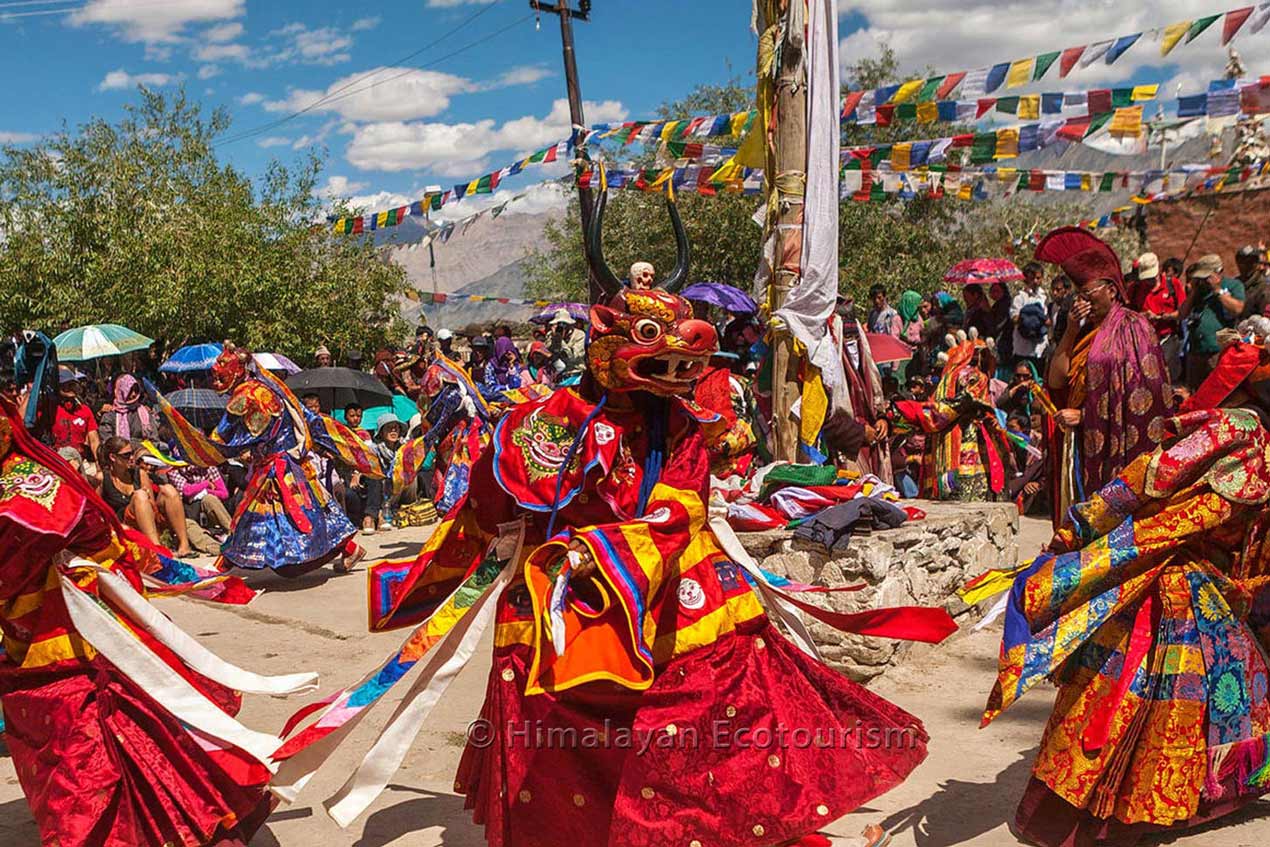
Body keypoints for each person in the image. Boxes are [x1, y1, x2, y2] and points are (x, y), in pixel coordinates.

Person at [273, 285, 957, 847]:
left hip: (672, 593)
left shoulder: (685, 424)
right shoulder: (540, 426)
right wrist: (430, 583)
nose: (674, 377)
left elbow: (682, 503)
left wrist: (614, 548)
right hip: (564, 602)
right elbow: (489, 505)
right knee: (554, 727)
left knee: (725, 699)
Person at [0, 399, 317, 847]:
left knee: (93, 746)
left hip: (73, 639)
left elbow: (87, 528)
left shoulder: (25, 486)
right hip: (29, 643)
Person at [981, 408, 1270, 847]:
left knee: (1119, 694)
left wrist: (1074, 539)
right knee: (1160, 700)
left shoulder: (1219, 442)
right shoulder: (1244, 451)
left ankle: (1069, 813)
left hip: (1170, 585)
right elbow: (1164, 516)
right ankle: (1123, 817)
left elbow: (1132, 492)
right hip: (1178, 591)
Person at [152, 344, 379, 576]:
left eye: (221, 373)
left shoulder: (246, 395)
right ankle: (352, 548)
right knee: (309, 515)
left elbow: (225, 436)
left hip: (275, 469)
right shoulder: (269, 387)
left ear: (237, 371)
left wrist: (198, 443)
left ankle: (221, 566)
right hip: (289, 465)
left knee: (250, 517)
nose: (216, 380)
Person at [1039, 228, 1171, 528]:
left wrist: (1085, 415)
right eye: (1078, 295)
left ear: (1111, 290)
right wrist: (1071, 329)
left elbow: (1142, 400)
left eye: (1088, 293)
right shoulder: (1083, 330)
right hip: (1078, 443)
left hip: (1114, 441)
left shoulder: (1133, 329)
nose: (1082, 301)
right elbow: (1057, 382)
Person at [892, 329, 1017, 501]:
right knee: (966, 493)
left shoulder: (961, 378)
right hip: (962, 435)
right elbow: (954, 405)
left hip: (962, 436)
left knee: (963, 491)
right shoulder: (969, 377)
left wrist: (917, 412)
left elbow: (955, 405)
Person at [99, 435, 195, 557]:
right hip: (124, 525)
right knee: (140, 495)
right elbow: (97, 511)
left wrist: (148, 497)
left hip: (147, 520)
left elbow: (152, 506)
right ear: (113, 457)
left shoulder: (140, 473)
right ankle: (156, 549)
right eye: (126, 455)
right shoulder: (103, 479)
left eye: (132, 453)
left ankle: (184, 545)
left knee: (168, 490)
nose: (132, 458)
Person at [1181, 254, 1246, 391]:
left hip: (1217, 352)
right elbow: (1182, 314)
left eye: (1207, 277)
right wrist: (1193, 292)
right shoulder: (1199, 291)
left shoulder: (1233, 285)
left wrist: (1217, 290)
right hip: (1196, 350)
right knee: (1194, 392)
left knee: (1215, 391)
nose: (1204, 281)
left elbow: (1237, 308)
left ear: (1218, 272)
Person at [1132, 251, 1188, 383]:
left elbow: (1182, 313)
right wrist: (1140, 317)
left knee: (1165, 376)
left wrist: (1160, 317)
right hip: (1143, 341)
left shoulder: (1173, 285)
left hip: (1167, 339)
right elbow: (1127, 312)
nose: (1149, 281)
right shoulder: (1136, 288)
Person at [51, 366, 99, 461]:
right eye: (65, 385)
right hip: (57, 461)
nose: (69, 388)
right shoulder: (50, 409)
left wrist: (98, 463)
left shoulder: (84, 410)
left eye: (72, 384)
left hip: (80, 459)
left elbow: (94, 439)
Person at [99, 373, 158, 444]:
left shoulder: (145, 413)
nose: (133, 394)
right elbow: (107, 443)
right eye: (129, 391)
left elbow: (154, 440)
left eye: (136, 390)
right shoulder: (110, 416)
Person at [1010, 262, 1049, 369]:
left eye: (1038, 278)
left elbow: (1048, 320)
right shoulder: (1019, 297)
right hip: (1022, 348)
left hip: (1040, 349)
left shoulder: (1044, 296)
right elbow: (1014, 318)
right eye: (1032, 278)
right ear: (1026, 279)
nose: (1035, 282)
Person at [548, 310, 586, 380]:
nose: (561, 327)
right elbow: (548, 353)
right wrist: (555, 339)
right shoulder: (551, 335)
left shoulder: (579, 335)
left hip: (575, 375)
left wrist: (561, 341)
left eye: (564, 324)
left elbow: (573, 357)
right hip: (557, 376)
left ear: (570, 325)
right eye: (559, 324)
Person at [1237, 243, 1268, 319]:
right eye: (1242, 261)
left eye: (1251, 262)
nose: (1246, 265)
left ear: (1257, 264)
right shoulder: (1235, 284)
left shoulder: (1264, 289)